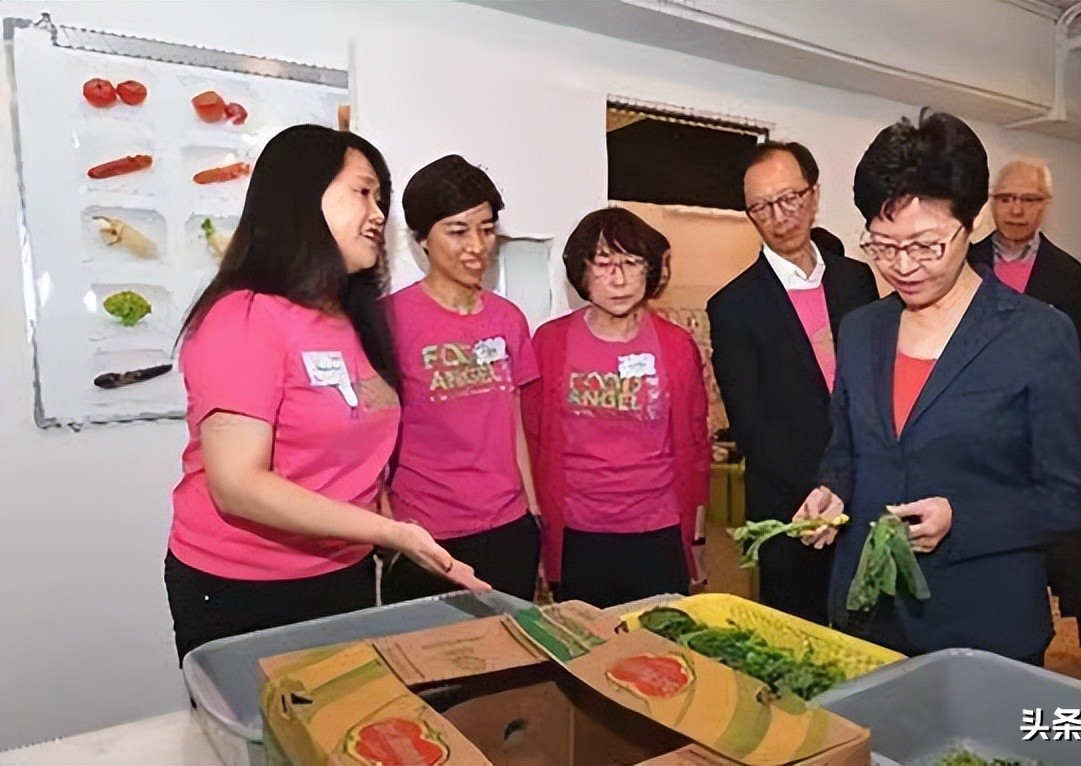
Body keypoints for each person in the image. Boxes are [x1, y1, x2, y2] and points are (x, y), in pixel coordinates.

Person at [165, 125, 488, 664]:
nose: (379, 214)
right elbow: (238, 486)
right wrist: (394, 533)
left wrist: (385, 536)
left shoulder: (350, 318)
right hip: (245, 586)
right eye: (362, 192)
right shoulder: (243, 316)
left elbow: (355, 457)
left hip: (344, 573)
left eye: (380, 199)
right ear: (300, 195)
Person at [795, 111, 1081, 665]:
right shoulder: (862, 330)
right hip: (867, 617)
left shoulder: (1037, 334)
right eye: (883, 247)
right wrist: (831, 490)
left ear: (974, 221)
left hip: (980, 622)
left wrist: (963, 518)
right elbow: (846, 450)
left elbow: (1071, 500)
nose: (903, 267)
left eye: (926, 245)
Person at [707, 141, 879, 625]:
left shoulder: (857, 281)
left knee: (869, 634)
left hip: (867, 496)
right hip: (791, 507)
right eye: (762, 207)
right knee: (798, 640)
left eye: (790, 199)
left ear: (814, 194)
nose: (779, 216)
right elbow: (753, 425)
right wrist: (821, 491)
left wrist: (855, 484)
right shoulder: (734, 305)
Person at [524, 208, 710, 609]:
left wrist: (696, 538)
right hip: (578, 532)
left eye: (631, 263)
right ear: (582, 272)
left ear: (650, 271)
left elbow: (696, 444)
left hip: (657, 531)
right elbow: (532, 439)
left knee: (660, 654)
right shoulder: (550, 342)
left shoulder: (677, 346)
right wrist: (540, 536)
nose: (620, 279)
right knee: (586, 654)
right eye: (604, 264)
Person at [381, 155, 541, 602]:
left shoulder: (509, 319)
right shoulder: (388, 321)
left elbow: (514, 422)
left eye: (487, 229)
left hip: (509, 528)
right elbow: (370, 437)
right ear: (421, 239)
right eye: (457, 231)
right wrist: (388, 529)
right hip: (425, 534)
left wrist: (533, 510)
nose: (477, 245)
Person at [967, 158, 1081, 378]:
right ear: (992, 203)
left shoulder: (1070, 275)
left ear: (1045, 203)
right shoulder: (965, 263)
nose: (1016, 210)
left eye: (1029, 199)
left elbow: (1080, 360)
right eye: (1005, 199)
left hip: (1038, 402)